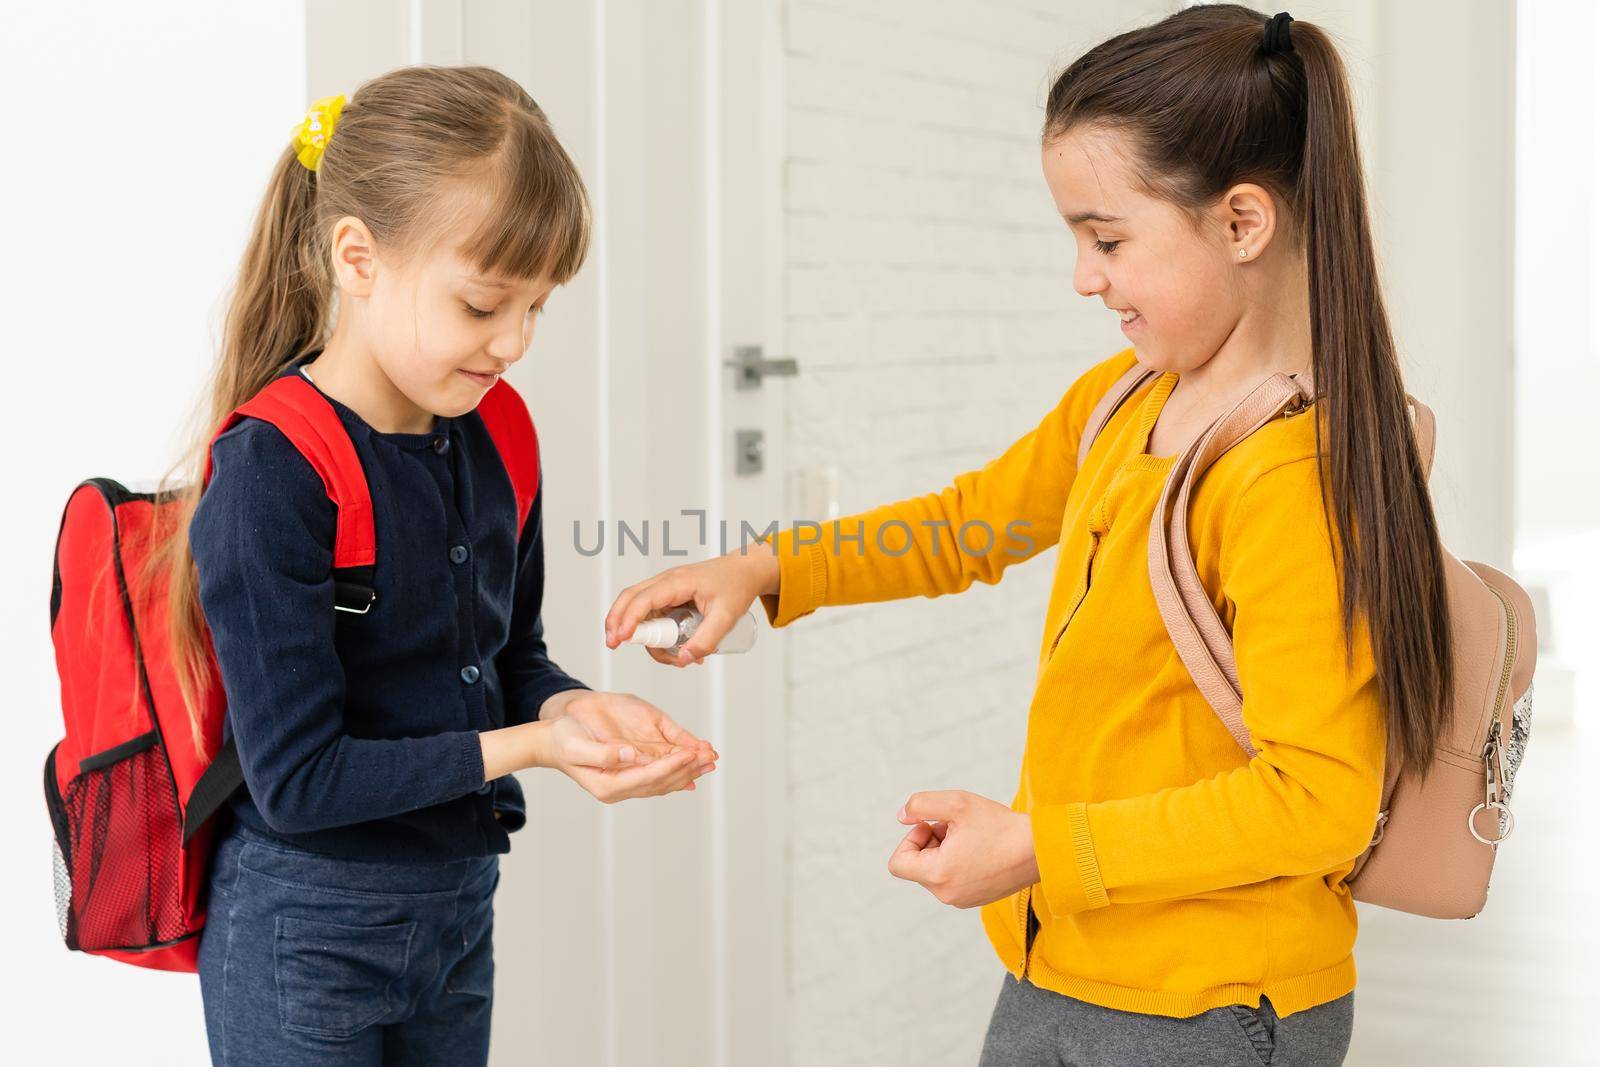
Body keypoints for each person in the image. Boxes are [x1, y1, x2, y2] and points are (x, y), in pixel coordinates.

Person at [604, 7, 1453, 1064]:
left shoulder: (1290, 479)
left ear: (1242, 223)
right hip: (1064, 960)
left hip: (1212, 1004)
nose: (1084, 277)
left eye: (1107, 240)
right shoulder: (1124, 401)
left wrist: (1039, 842)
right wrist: (767, 567)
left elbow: (1318, 799)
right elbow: (968, 525)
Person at [148, 65, 717, 1065]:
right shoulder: (273, 472)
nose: (514, 342)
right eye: (482, 304)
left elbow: (509, 657)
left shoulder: (496, 431)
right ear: (357, 257)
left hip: (455, 914)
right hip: (304, 938)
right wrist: (530, 750)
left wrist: (569, 710)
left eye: (537, 307)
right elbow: (298, 779)